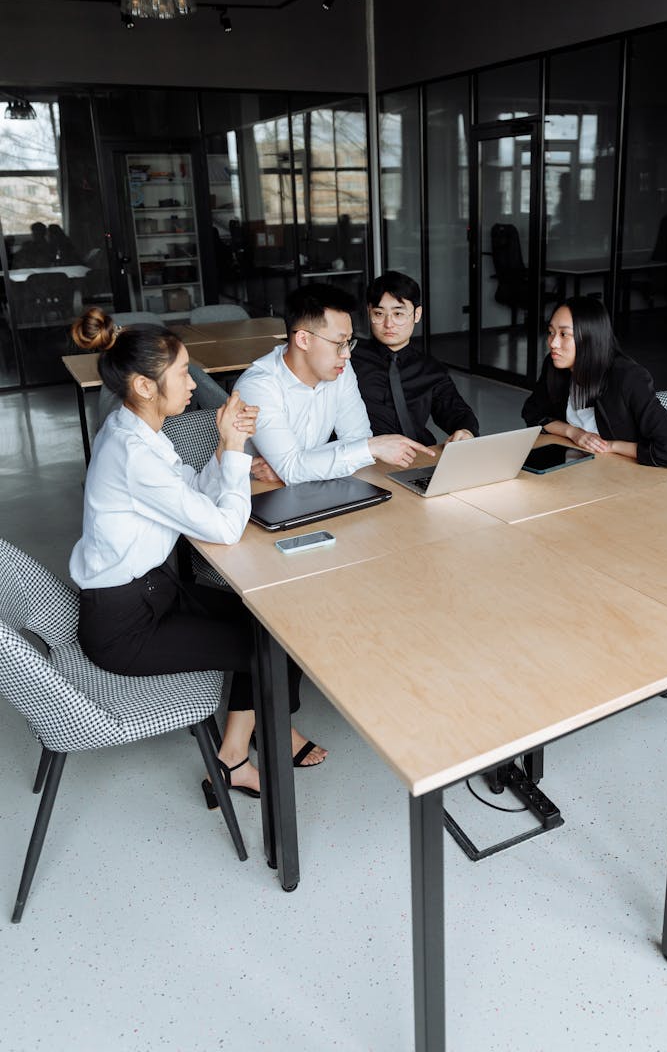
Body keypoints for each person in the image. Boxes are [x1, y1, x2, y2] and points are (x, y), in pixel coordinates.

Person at [68, 308, 323, 798]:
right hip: (125, 626)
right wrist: (234, 447)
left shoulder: (135, 430)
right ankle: (235, 759)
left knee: (276, 623)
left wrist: (227, 453)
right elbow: (226, 528)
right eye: (184, 373)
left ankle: (235, 753)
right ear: (145, 386)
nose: (193, 383)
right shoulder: (134, 453)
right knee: (271, 645)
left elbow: (192, 491)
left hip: (151, 593)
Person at [236, 283, 434, 485]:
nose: (347, 354)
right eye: (339, 343)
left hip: (311, 487)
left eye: (349, 342)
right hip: (254, 493)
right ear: (304, 340)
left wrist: (297, 468)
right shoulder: (258, 387)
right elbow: (293, 467)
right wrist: (371, 447)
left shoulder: (341, 369)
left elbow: (357, 438)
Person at [521, 296, 667, 467]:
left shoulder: (628, 377)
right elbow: (533, 414)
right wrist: (573, 432)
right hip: (578, 467)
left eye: (564, 334)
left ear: (590, 337)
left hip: (623, 474)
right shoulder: (555, 365)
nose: (553, 343)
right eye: (551, 332)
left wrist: (612, 446)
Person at [351, 271, 479, 446]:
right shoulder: (348, 358)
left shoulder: (431, 369)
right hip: (365, 458)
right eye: (379, 314)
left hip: (417, 454)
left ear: (417, 314)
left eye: (398, 314)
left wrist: (466, 430)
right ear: (369, 312)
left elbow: (456, 411)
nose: (389, 324)